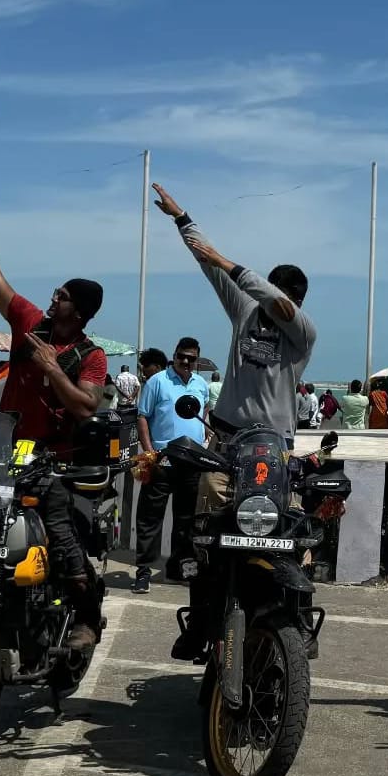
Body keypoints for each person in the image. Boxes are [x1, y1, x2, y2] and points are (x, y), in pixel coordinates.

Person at [0, 186, 107, 651]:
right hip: (2, 446)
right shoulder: (29, 323)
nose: (54, 297)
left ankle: (88, 619)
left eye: (64, 295)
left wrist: (52, 368)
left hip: (53, 458)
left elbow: (87, 407)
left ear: (81, 310)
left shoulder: (92, 356)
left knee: (64, 535)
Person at [151, 183, 316, 659]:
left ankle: (295, 617)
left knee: (285, 534)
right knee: (208, 533)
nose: (268, 304)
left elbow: (271, 298)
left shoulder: (302, 330)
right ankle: (202, 618)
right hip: (226, 441)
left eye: (273, 295)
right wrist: (183, 219)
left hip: (274, 448)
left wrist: (231, 263)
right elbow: (207, 263)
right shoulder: (245, 310)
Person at [132, 337, 211, 595]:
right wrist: (149, 451)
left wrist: (205, 439)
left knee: (186, 518)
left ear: (197, 360)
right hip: (163, 456)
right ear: (174, 355)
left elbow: (206, 410)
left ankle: (177, 568)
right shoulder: (157, 382)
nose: (186, 361)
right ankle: (143, 572)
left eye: (191, 358)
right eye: (181, 356)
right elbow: (142, 416)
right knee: (150, 516)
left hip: (192, 458)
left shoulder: (201, 384)